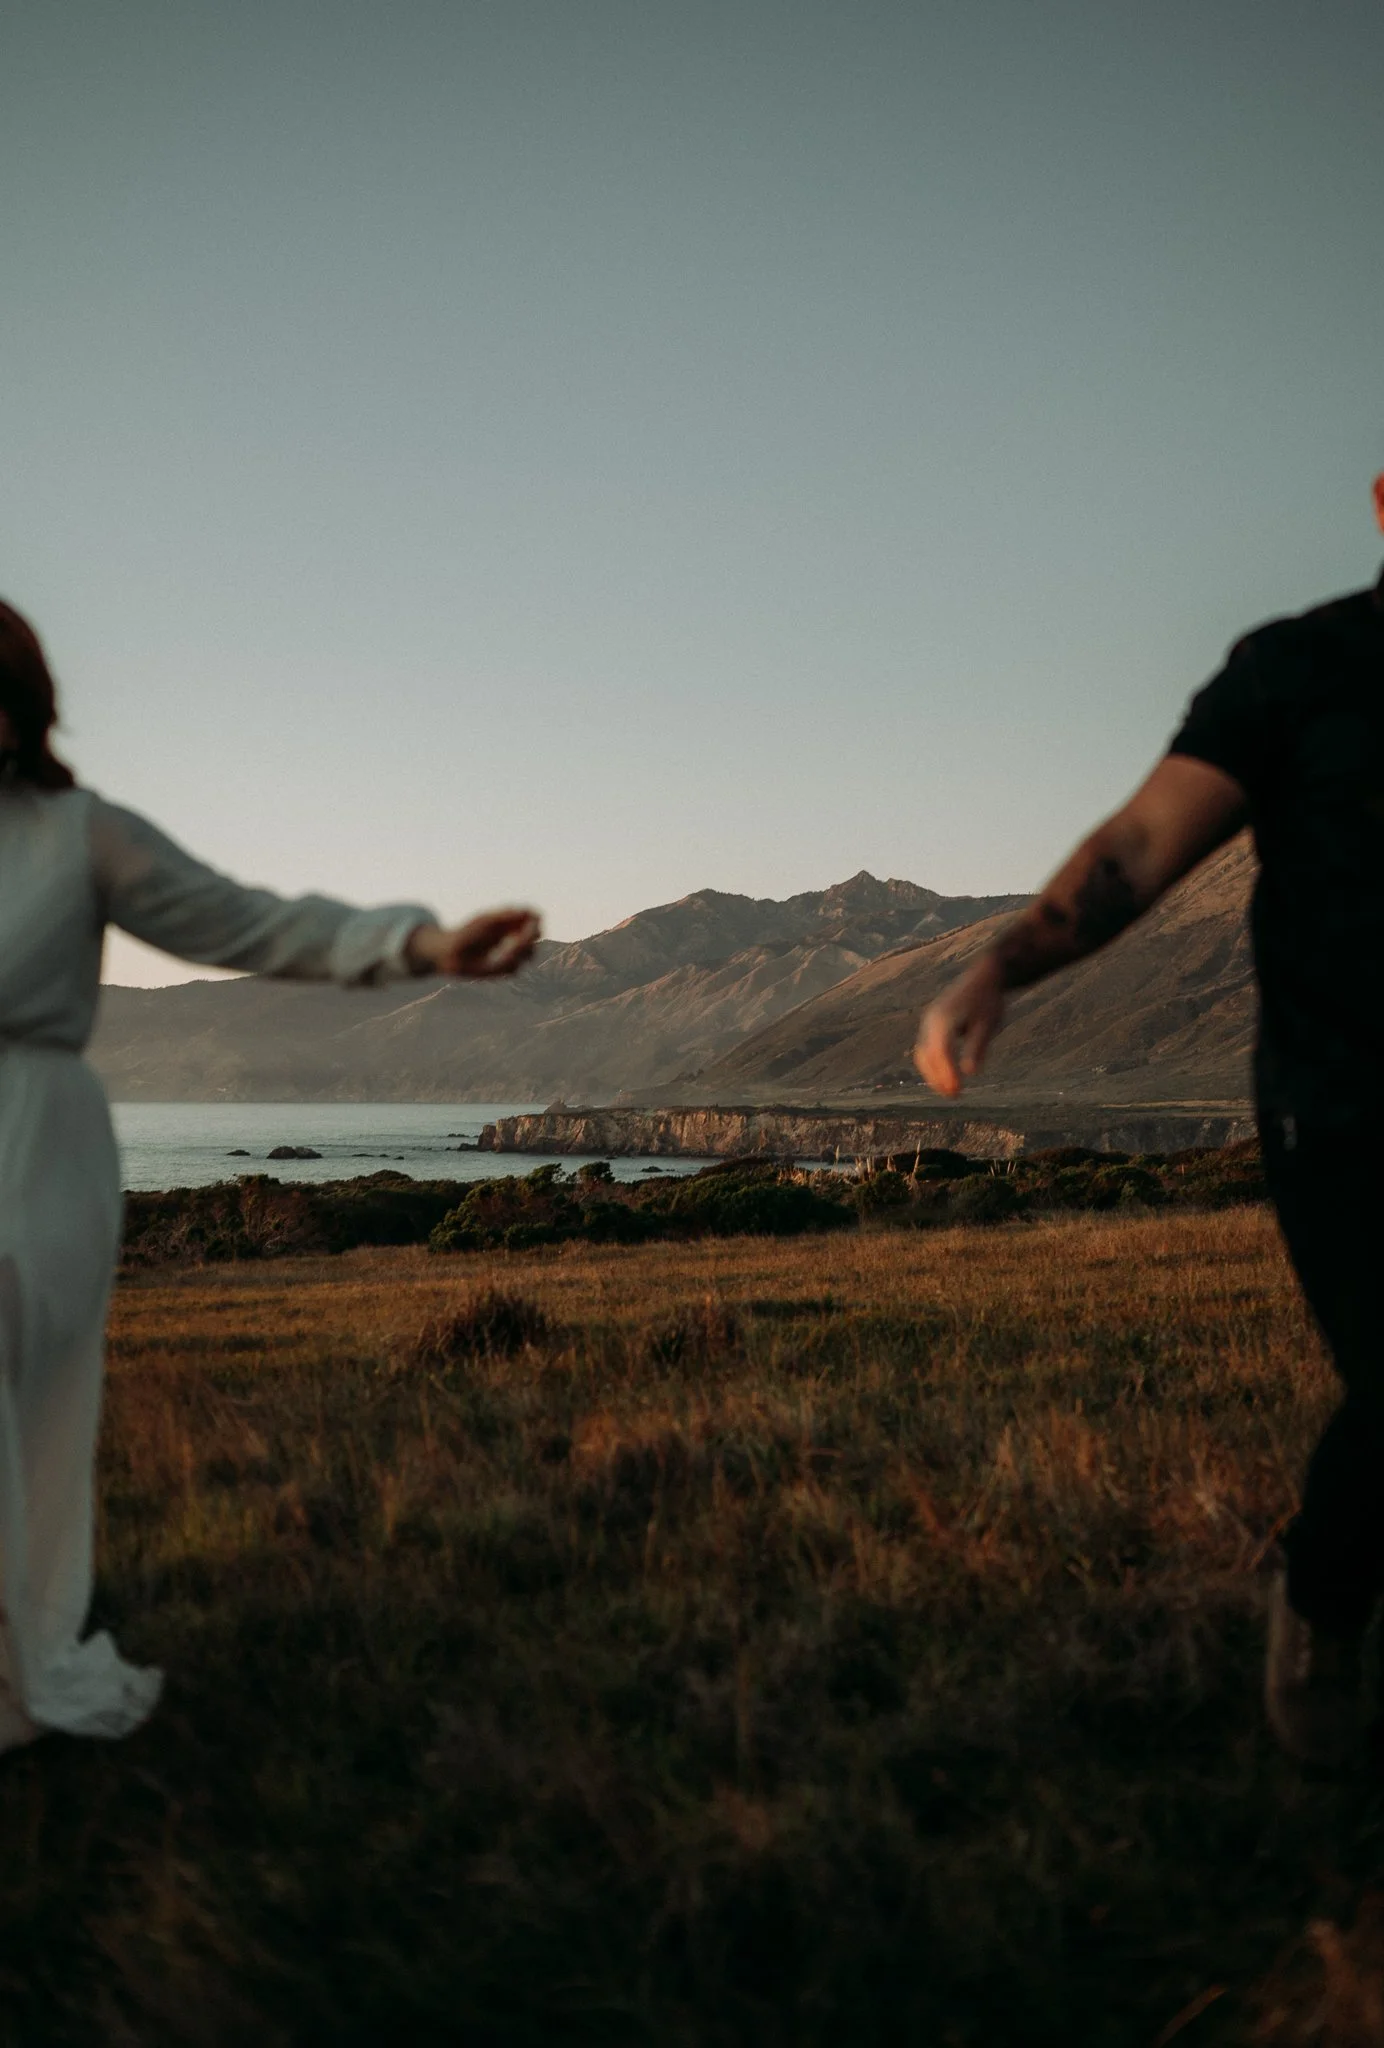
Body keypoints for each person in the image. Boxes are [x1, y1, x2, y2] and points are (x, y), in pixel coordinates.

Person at [0, 600, 540, 1758]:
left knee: (33, 1401)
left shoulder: (79, 833)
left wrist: (418, 944)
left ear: (17, 708)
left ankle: (16, 1655)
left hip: (34, 1138)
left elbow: (244, 919)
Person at [914, 474, 1384, 1767]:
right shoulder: (1299, 669)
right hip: (1345, 1107)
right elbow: (1136, 844)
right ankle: (1324, 1608)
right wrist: (997, 968)